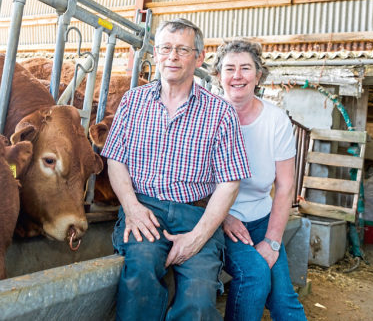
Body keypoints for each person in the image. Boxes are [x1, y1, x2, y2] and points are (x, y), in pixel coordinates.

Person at [101, 18, 251, 321]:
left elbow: (229, 183)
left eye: (182, 50)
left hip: (196, 215)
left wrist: (197, 236)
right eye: (166, 49)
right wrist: (131, 208)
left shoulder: (220, 112)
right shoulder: (133, 102)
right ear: (155, 54)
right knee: (139, 277)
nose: (172, 57)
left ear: (199, 57)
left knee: (198, 300)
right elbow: (115, 159)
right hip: (145, 210)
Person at [212, 39, 307, 321]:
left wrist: (273, 241)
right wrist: (224, 216)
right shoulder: (208, 115)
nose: (237, 76)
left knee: (284, 300)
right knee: (254, 276)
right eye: (229, 69)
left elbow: (286, 185)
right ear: (218, 75)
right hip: (219, 219)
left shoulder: (276, 120)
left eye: (245, 68)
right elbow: (194, 180)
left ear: (258, 75)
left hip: (261, 218)